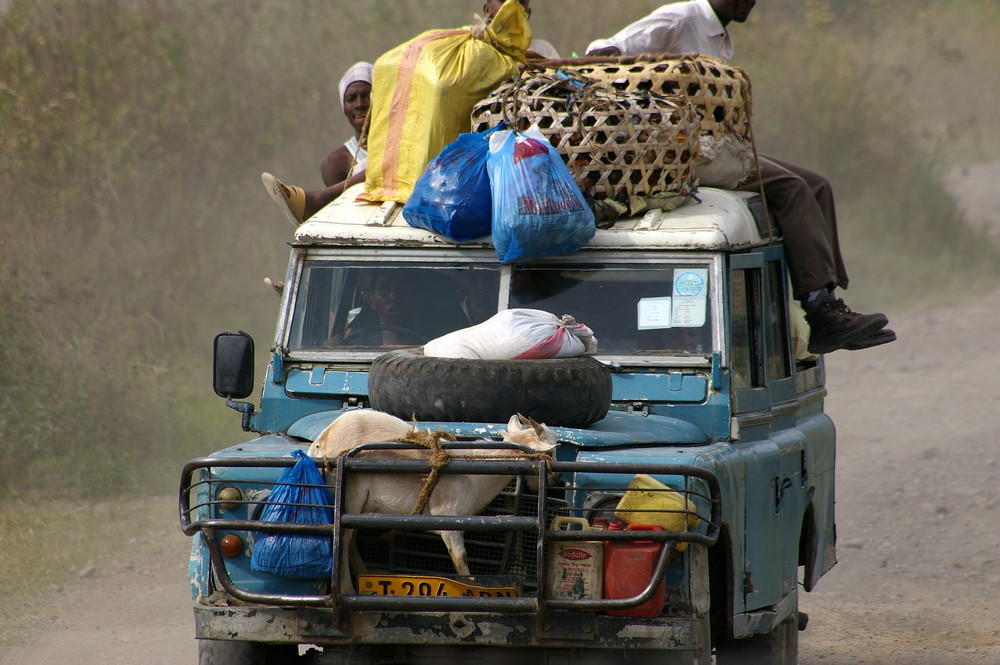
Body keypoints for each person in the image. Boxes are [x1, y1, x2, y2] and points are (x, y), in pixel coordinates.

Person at [586, 0, 895, 354]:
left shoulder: (718, 33)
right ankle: (820, 309)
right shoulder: (683, 18)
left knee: (817, 185)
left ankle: (831, 303)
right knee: (791, 189)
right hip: (683, 153)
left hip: (711, 145)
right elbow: (603, 49)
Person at [261, 62, 373, 226]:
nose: (359, 104)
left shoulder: (401, 144)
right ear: (344, 108)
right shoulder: (336, 163)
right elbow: (345, 217)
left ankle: (315, 201)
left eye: (367, 96)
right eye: (351, 99)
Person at [483, 0, 560, 59]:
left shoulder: (543, 51)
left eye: (521, 1)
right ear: (487, 10)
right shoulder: (478, 50)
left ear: (528, 13)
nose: (513, 7)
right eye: (504, 1)